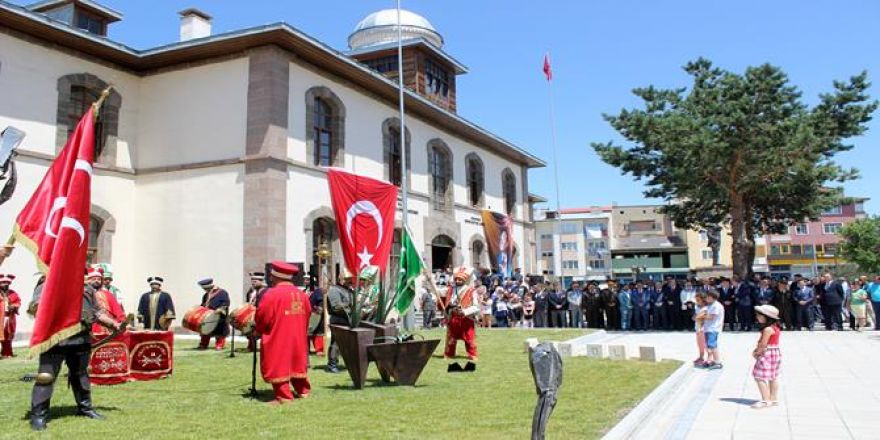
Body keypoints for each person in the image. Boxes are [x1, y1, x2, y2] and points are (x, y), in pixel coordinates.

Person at [29, 271, 123, 431]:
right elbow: (34, 309)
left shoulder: (87, 288)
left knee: (81, 375)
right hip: (54, 339)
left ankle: (85, 408)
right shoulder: (47, 283)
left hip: (81, 338)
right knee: (46, 377)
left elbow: (97, 312)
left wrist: (113, 324)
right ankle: (38, 415)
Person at [255, 261, 311, 405]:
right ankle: (303, 390)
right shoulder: (302, 294)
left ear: (275, 277)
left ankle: (284, 396)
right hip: (298, 335)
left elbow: (263, 317)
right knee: (297, 361)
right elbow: (308, 314)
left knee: (278, 362)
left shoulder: (271, 294)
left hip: (278, 335)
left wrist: (259, 330)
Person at [444, 267, 481, 368]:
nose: (458, 281)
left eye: (460, 279)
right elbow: (440, 292)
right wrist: (431, 283)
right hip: (453, 316)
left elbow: (476, 307)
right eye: (456, 279)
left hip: (466, 318)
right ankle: (449, 354)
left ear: (464, 280)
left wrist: (465, 311)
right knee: (451, 337)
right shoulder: (451, 290)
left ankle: (472, 354)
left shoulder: (471, 291)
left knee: (469, 337)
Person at [751, 305, 782, 409]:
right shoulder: (775, 327)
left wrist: (757, 352)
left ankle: (765, 400)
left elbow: (763, 344)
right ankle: (773, 399)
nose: (757, 317)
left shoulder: (767, 329)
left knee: (759, 376)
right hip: (775, 353)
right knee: (773, 376)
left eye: (759, 315)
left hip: (767, 353)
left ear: (767, 317)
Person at [326, 270, 354, 373]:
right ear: (342, 280)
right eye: (348, 280)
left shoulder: (348, 290)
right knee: (336, 343)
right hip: (338, 319)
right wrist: (350, 305)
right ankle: (332, 364)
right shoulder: (334, 290)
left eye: (350, 280)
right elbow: (336, 306)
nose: (350, 281)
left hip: (347, 320)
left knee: (347, 343)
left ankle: (347, 362)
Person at [197, 278, 230, 350]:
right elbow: (203, 304)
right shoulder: (206, 295)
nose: (205, 290)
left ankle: (219, 345)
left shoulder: (222, 292)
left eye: (206, 288)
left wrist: (220, 309)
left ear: (210, 286)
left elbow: (226, 303)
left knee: (219, 331)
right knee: (205, 330)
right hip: (208, 316)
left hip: (219, 315)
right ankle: (203, 344)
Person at [701, 290, 724, 370]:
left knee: (712, 345)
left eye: (707, 297)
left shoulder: (716, 306)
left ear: (712, 297)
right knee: (709, 345)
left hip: (713, 328)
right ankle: (710, 360)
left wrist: (701, 316)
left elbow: (712, 317)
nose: (706, 298)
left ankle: (718, 362)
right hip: (708, 328)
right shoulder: (710, 305)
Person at [0, 274, 21, 358]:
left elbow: (18, 302)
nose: (5, 284)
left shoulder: (13, 293)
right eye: (3, 282)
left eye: (7, 283)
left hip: (9, 318)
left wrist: (14, 306)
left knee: (8, 336)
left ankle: (7, 353)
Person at [246, 272, 267, 352]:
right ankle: (251, 346)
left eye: (255, 281)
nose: (253, 283)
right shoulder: (251, 291)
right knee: (250, 331)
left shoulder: (266, 291)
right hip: (252, 314)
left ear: (261, 281)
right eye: (252, 281)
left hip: (261, 314)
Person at [692, 291, 708, 367]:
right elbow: (695, 317)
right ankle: (701, 357)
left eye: (698, 300)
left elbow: (700, 317)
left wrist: (697, 317)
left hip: (703, 328)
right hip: (697, 327)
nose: (697, 301)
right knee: (699, 344)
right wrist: (696, 317)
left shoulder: (706, 308)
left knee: (705, 344)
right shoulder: (697, 307)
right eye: (696, 300)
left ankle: (708, 358)